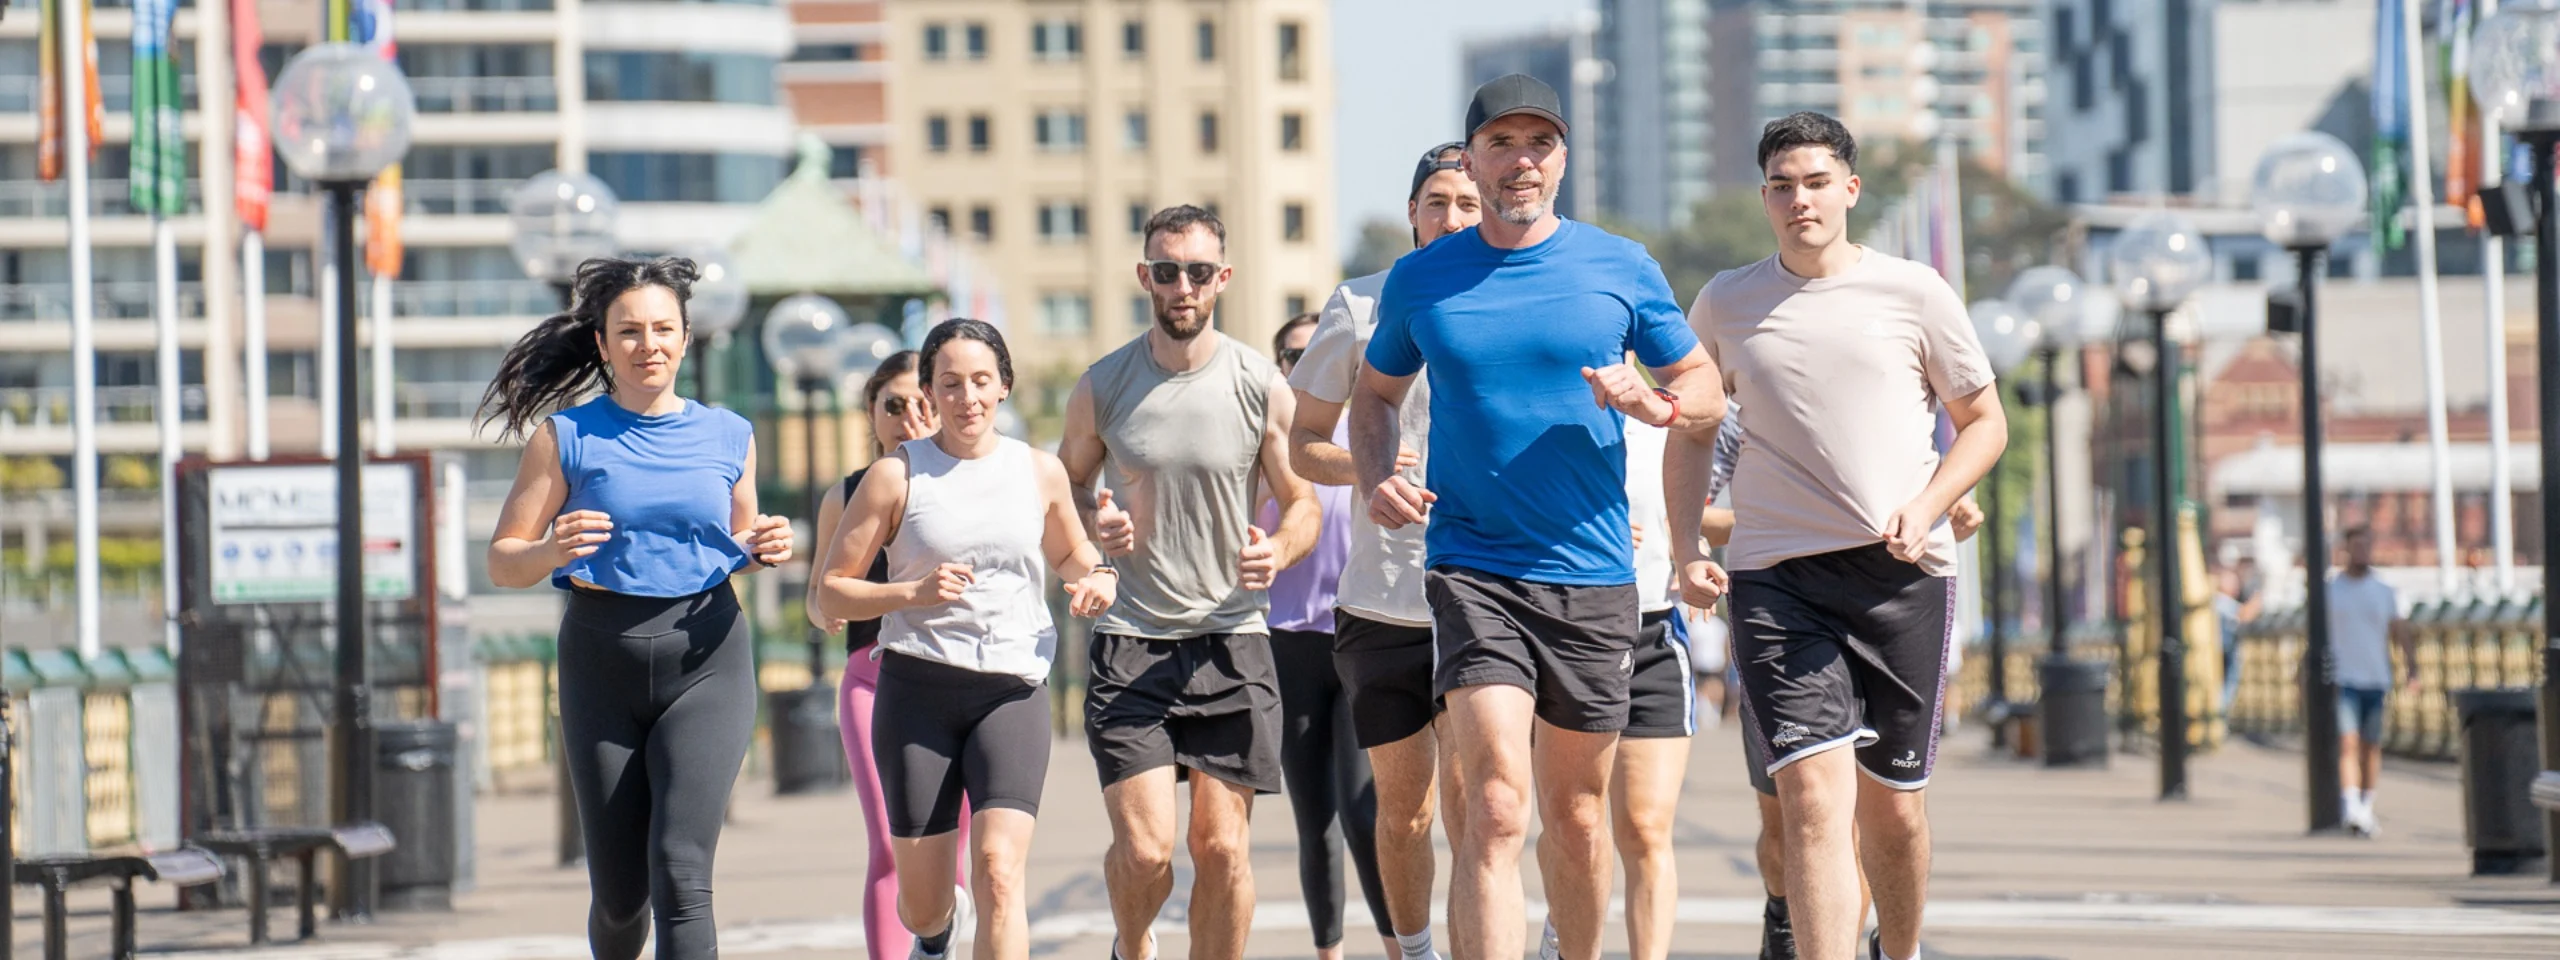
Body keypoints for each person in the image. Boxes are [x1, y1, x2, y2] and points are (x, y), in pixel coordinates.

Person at [1354, 74, 1727, 960]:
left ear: (1562, 158)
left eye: (1539, 144)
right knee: (1492, 805)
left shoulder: (1620, 265)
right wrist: (1376, 477)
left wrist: (1654, 402)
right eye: (1501, 144)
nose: (1520, 162)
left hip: (1594, 574)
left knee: (1579, 817)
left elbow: (1704, 389)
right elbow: (1373, 398)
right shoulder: (1421, 280)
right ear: (1473, 156)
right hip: (1472, 567)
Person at [1688, 112, 2008, 960]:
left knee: (1893, 812)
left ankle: (1893, 952)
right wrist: (1687, 542)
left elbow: (1983, 424)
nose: (1801, 199)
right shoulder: (1725, 300)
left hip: (1901, 575)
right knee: (1812, 801)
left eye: (1817, 182)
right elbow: (1692, 427)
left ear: (1850, 191)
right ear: (1764, 198)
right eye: (1783, 185)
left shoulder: (1916, 291)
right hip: (1776, 577)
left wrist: (1933, 501)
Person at [480, 255, 795, 960]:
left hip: (707, 654)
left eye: (662, 329)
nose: (647, 344)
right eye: (629, 331)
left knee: (683, 873)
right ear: (602, 343)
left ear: (685, 338)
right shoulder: (565, 437)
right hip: (600, 659)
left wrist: (767, 541)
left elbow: (739, 538)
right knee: (622, 899)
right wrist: (550, 551)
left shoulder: (729, 435)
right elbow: (503, 561)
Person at [1059, 204, 1324, 960]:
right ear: (1145, 276)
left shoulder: (1259, 383)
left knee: (1222, 850)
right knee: (1146, 854)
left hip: (1231, 639)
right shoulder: (1103, 384)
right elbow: (1066, 489)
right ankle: (1131, 945)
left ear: (1223, 279)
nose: (1183, 285)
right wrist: (1093, 528)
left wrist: (1275, 550)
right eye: (1167, 271)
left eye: (1199, 272)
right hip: (1132, 641)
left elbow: (1301, 501)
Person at [815, 319, 1119, 960]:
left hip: (1010, 690)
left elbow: (1072, 552)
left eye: (981, 380)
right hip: (917, 691)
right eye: (949, 383)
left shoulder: (1037, 471)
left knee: (999, 874)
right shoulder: (896, 479)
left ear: (1004, 385)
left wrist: (1096, 577)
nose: (967, 397)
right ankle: (934, 939)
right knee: (925, 903)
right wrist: (911, 594)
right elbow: (831, 592)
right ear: (929, 392)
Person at [1286, 140, 1481, 960]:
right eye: (1437, 202)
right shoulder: (1360, 305)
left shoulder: (1515, 297)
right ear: (1411, 212)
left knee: (1483, 809)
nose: (1451, 218)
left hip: (1485, 594)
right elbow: (1303, 443)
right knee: (1405, 814)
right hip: (1382, 600)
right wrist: (1368, 476)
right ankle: (1414, 950)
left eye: (1467, 204)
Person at [1700, 403, 1980, 960]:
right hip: (1785, 610)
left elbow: (1951, 467)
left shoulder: (1888, 392)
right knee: (1790, 825)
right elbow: (1694, 511)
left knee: (1862, 820)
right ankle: (1783, 910)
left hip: (1883, 607)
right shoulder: (1743, 404)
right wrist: (1775, 517)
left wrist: (1944, 507)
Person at [805, 351, 965, 960]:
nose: (909, 416)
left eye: (921, 402)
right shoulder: (844, 494)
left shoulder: (972, 484)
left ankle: (946, 941)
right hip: (872, 682)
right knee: (892, 842)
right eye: (892, 404)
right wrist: (830, 610)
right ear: (871, 413)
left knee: (959, 847)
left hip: (963, 681)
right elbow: (818, 601)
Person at [1260, 314, 1395, 960]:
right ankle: (1328, 952)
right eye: (1290, 355)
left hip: (1363, 634)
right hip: (1288, 643)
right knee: (1314, 824)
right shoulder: (1264, 444)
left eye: (1315, 352)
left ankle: (1402, 947)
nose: (1302, 364)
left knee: (1365, 813)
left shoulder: (1365, 428)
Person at [2327, 526, 2415, 837]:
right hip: (2343, 677)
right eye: (2356, 546)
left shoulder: (2385, 590)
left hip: (2376, 678)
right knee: (2347, 742)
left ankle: (2366, 803)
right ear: (2346, 549)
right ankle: (2350, 804)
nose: (2362, 551)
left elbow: (2400, 632)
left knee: (2371, 745)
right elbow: (2316, 639)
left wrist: (2412, 668)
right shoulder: (2331, 591)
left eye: (2366, 545)